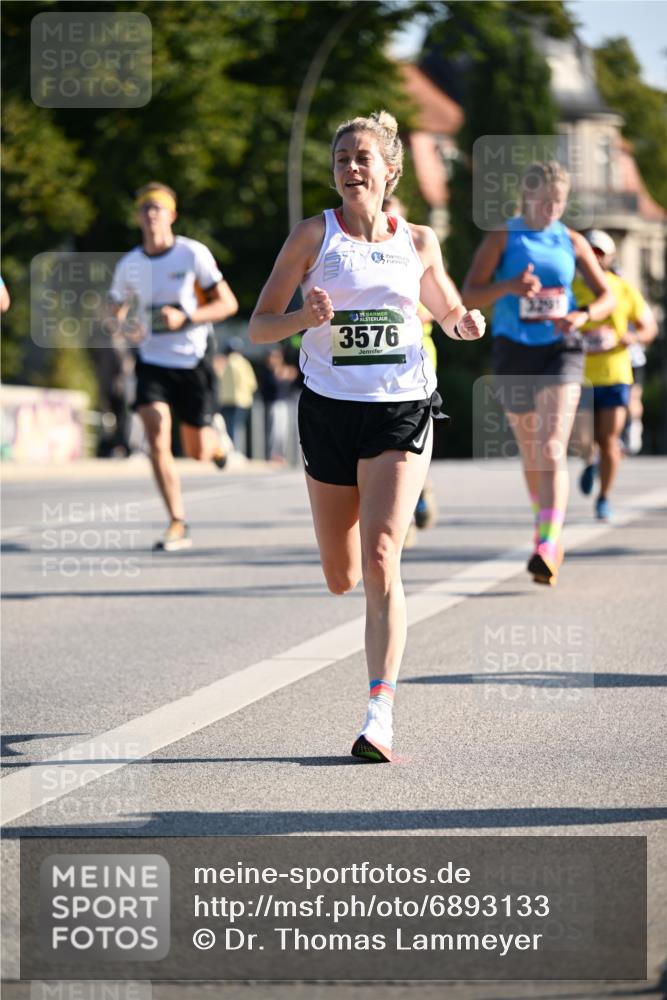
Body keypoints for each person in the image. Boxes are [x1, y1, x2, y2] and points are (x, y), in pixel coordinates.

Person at [249, 110, 485, 763]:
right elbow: (259, 327)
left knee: (383, 555)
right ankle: (356, 604)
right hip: (328, 411)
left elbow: (446, 307)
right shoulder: (310, 237)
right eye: (341, 159)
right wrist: (303, 314)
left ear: (388, 169)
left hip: (399, 408)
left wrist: (466, 323)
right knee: (340, 574)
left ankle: (378, 712)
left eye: (362, 158)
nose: (351, 168)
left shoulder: (418, 241)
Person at [462, 161, 614, 586]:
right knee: (531, 453)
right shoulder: (503, 236)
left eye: (559, 202)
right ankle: (543, 525)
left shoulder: (570, 239)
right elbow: (469, 292)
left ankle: (548, 542)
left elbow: (606, 298)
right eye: (543, 200)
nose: (551, 208)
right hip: (513, 352)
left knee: (550, 449)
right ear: (526, 197)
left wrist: (582, 316)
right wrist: (508, 287)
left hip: (561, 350)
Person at [107, 182, 239, 550]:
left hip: (192, 359)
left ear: (172, 215)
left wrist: (186, 317)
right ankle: (177, 522)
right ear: (137, 216)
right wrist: (122, 325)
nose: (151, 215)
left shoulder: (191, 254)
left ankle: (216, 444)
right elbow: (110, 310)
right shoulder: (130, 264)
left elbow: (227, 304)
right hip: (152, 362)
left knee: (198, 450)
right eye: (145, 208)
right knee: (156, 434)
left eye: (158, 208)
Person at [573, 229, 657, 520]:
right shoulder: (570, 286)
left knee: (608, 438)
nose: (594, 258)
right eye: (590, 252)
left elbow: (649, 327)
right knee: (582, 439)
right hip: (577, 375)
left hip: (615, 373)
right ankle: (589, 462)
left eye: (600, 253)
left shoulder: (622, 288)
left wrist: (631, 339)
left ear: (609, 257)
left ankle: (604, 497)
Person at [383, 194, 439, 539]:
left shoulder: (414, 245)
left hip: (417, 353)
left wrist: (413, 313)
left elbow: (439, 303)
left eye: (394, 215)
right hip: (372, 360)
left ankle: (419, 490)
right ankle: (399, 507)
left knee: (410, 433)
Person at [216, 337, 258, 454]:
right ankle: (235, 451)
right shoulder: (244, 363)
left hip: (225, 400)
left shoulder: (222, 362)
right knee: (237, 427)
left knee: (228, 426)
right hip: (242, 400)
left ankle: (229, 450)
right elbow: (252, 384)